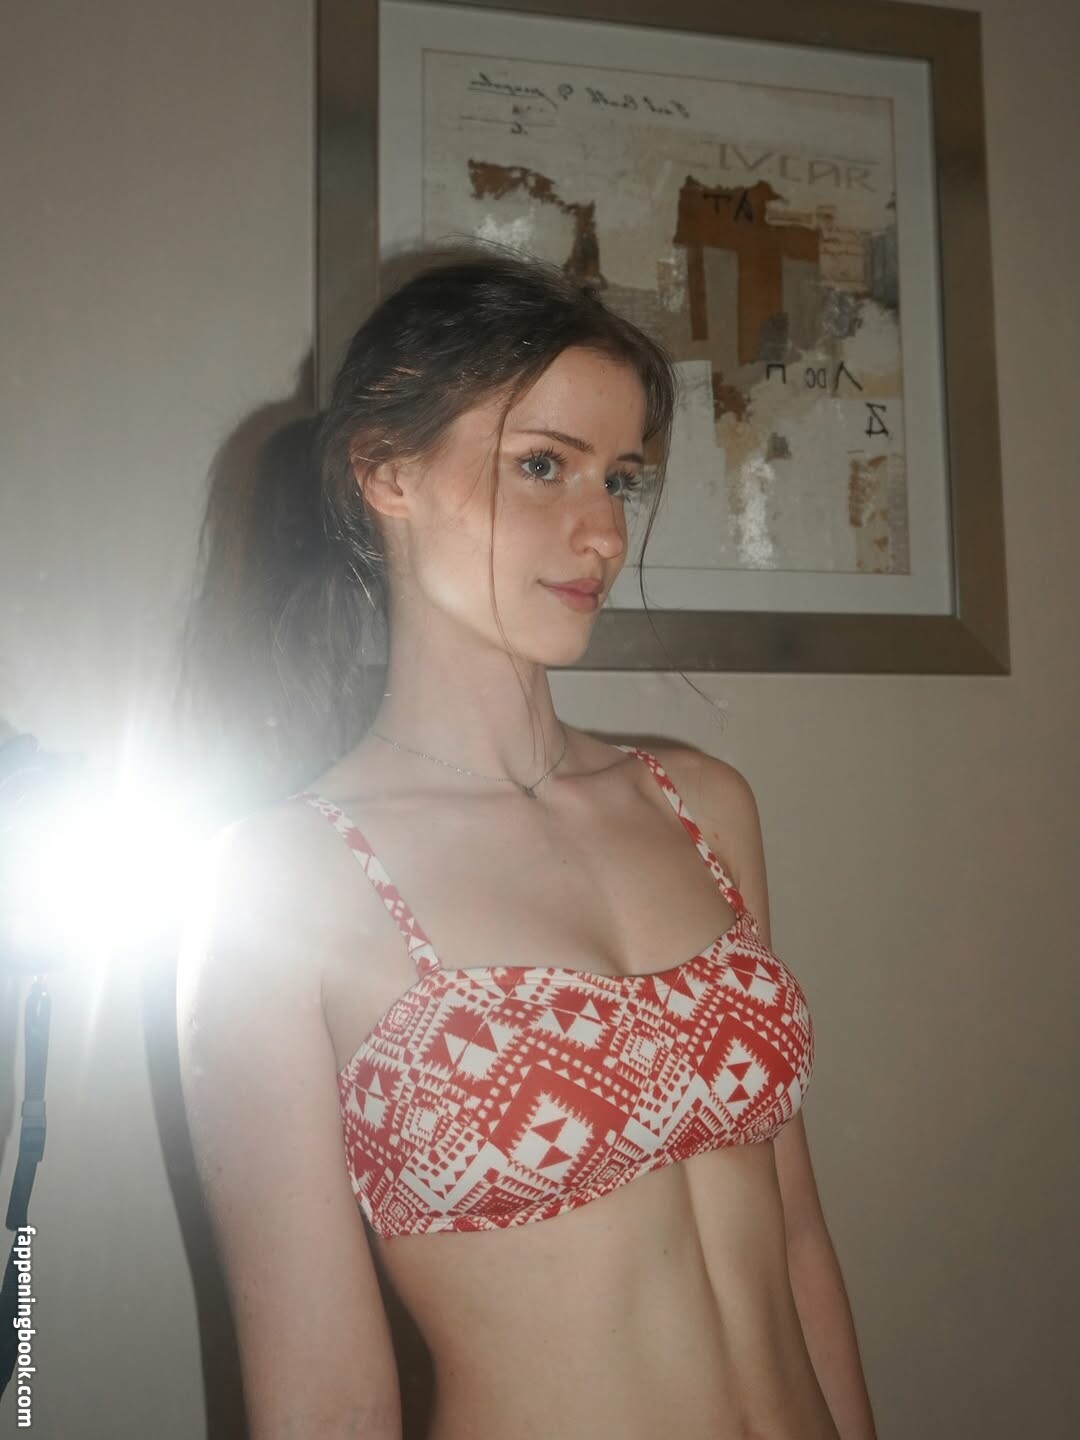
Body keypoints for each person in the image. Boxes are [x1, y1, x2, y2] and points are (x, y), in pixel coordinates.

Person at [176, 249, 877, 1440]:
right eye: (543, 465)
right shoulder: (279, 887)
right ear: (386, 471)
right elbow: (330, 1405)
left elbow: (800, 1240)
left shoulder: (703, 806)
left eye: (620, 479)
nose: (600, 531)